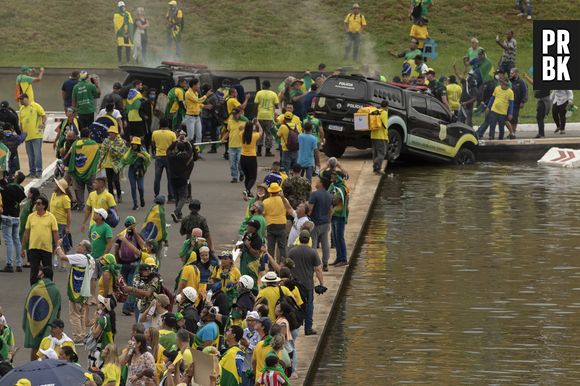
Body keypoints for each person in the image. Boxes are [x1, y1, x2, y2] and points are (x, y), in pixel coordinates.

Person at [55, 239, 94, 343]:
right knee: (81, 314)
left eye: (80, 244)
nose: (77, 246)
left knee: (75, 315)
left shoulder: (80, 257)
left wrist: (58, 246)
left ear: (84, 248)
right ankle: (83, 335)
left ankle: (78, 337)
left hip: (76, 290)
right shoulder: (91, 259)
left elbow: (63, 257)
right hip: (85, 291)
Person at [289, 230, 325, 335]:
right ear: (309, 239)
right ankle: (308, 328)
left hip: (294, 285)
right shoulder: (313, 252)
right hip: (308, 284)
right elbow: (318, 269)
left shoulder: (292, 251)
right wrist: (322, 283)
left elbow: (287, 266)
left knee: (294, 305)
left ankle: (294, 326)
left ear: (299, 239)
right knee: (309, 306)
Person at [23, 267, 61, 360]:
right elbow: (58, 309)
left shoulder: (34, 288)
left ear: (42, 274)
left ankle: (33, 368)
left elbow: (28, 306)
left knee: (35, 347)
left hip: (34, 324)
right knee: (48, 349)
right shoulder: (56, 290)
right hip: (49, 324)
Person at [21, 195, 59, 285]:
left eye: (38, 203)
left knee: (48, 271)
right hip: (33, 248)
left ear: (44, 206)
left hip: (46, 248)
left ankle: (49, 289)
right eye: (36, 203)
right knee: (33, 271)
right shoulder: (31, 217)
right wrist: (22, 248)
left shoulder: (51, 217)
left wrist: (57, 247)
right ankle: (33, 290)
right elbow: (26, 233)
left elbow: (55, 233)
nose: (36, 205)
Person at [69, 129, 101, 210]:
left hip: (78, 170)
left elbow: (72, 156)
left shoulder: (76, 144)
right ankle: (93, 206)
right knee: (92, 189)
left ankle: (80, 205)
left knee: (79, 189)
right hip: (90, 171)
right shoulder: (94, 145)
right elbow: (98, 156)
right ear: (89, 135)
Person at [1, 172, 26, 273]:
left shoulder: (9, 187)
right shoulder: (21, 189)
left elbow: (3, 189)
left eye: (14, 175)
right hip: (16, 216)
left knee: (8, 241)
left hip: (7, 216)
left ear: (16, 177)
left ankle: (9, 264)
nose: (13, 175)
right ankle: (19, 264)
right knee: (16, 240)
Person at [263, 183, 294, 262]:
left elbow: (263, 213)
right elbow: (288, 210)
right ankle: (284, 264)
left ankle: (271, 267)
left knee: (271, 248)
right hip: (281, 224)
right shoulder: (284, 200)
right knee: (282, 247)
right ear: (279, 191)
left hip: (270, 225)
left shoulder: (265, 201)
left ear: (270, 192)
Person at [167, 133, 195, 222]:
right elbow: (190, 151)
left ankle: (178, 215)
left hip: (172, 179)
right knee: (183, 196)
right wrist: (186, 142)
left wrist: (175, 141)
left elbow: (168, 150)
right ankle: (176, 212)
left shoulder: (171, 156)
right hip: (182, 179)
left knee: (177, 197)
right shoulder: (185, 157)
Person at [18, 93, 46, 178]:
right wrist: (22, 134)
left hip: (36, 134)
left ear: (26, 98)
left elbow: (43, 115)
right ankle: (32, 172)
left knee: (37, 154)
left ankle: (39, 171)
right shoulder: (21, 109)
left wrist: (43, 123)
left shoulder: (35, 106)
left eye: (22, 99)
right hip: (27, 136)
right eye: (20, 100)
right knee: (30, 155)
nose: (20, 101)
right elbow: (21, 123)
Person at [121, 137, 151, 210]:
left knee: (141, 187)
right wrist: (120, 168)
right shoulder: (130, 151)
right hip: (132, 171)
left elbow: (148, 160)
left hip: (140, 170)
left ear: (139, 145)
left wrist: (143, 157)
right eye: (133, 144)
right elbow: (124, 159)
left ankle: (142, 198)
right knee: (133, 187)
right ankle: (135, 204)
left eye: (136, 144)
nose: (134, 145)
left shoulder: (143, 151)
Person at [152, 118, 177, 201]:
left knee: (157, 178)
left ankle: (156, 195)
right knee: (170, 178)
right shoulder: (172, 134)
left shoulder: (155, 133)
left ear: (160, 124)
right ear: (168, 125)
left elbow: (153, 143)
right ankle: (171, 196)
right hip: (169, 157)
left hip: (159, 156)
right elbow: (174, 146)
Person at [100, 127, 127, 202]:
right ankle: (111, 197)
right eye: (110, 133)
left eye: (112, 133)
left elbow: (121, 152)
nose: (110, 134)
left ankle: (119, 194)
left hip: (116, 164)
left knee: (116, 180)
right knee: (109, 181)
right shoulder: (106, 141)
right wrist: (100, 162)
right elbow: (102, 151)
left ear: (116, 134)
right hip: (108, 164)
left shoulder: (119, 141)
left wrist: (111, 149)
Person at [50, 178, 73, 260]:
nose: (55, 185)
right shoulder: (53, 195)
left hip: (60, 224)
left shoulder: (65, 198)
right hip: (51, 222)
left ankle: (63, 262)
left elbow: (69, 213)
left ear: (60, 188)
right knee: (52, 242)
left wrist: (68, 226)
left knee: (60, 243)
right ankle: (54, 260)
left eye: (56, 185)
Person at [254, 80, 279, 157]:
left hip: (260, 116)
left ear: (263, 85)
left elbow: (255, 105)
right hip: (269, 116)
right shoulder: (273, 94)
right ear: (269, 86)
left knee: (259, 133)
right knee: (269, 134)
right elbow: (277, 105)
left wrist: (255, 115)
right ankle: (268, 152)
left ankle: (258, 151)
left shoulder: (259, 93)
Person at [184, 78, 212, 144]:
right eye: (198, 84)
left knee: (199, 136)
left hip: (197, 117)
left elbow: (197, 103)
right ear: (194, 85)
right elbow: (197, 100)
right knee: (190, 137)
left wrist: (204, 106)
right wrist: (206, 95)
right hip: (190, 117)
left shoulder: (195, 93)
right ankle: (179, 142)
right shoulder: (188, 93)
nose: (199, 86)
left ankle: (197, 151)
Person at [241, 119, 263, 200]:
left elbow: (241, 128)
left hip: (243, 157)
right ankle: (247, 190)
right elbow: (261, 132)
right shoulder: (254, 135)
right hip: (251, 157)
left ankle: (248, 192)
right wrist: (258, 124)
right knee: (253, 176)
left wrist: (247, 123)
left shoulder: (241, 134)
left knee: (247, 176)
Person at [329, 174, 348, 267]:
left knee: (340, 238)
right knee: (335, 238)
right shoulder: (333, 186)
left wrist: (331, 197)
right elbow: (328, 197)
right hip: (333, 216)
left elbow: (335, 200)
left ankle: (343, 258)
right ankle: (338, 257)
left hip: (339, 216)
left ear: (338, 178)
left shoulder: (342, 188)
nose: (331, 179)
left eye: (333, 177)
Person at [227, 108, 249, 183]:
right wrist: (223, 138)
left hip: (241, 146)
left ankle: (242, 173)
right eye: (233, 114)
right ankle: (234, 177)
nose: (234, 116)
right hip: (231, 145)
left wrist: (244, 128)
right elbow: (228, 131)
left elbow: (251, 130)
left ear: (239, 114)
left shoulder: (244, 121)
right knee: (232, 163)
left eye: (236, 114)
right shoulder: (230, 121)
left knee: (240, 162)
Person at [509, 68, 528, 135]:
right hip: (509, 103)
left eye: (512, 73)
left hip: (516, 103)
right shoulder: (509, 81)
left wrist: (523, 101)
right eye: (510, 73)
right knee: (509, 119)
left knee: (514, 118)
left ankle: (513, 132)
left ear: (516, 73)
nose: (510, 74)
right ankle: (511, 132)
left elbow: (525, 92)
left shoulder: (521, 82)